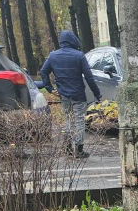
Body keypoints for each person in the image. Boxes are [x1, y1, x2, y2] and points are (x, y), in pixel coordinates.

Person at [39, 30, 102, 159]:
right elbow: (89, 77)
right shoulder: (79, 55)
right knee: (79, 120)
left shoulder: (53, 56)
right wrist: (97, 94)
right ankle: (79, 150)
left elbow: (43, 71)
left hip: (64, 95)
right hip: (78, 94)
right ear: (73, 40)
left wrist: (50, 89)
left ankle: (67, 147)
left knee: (68, 119)